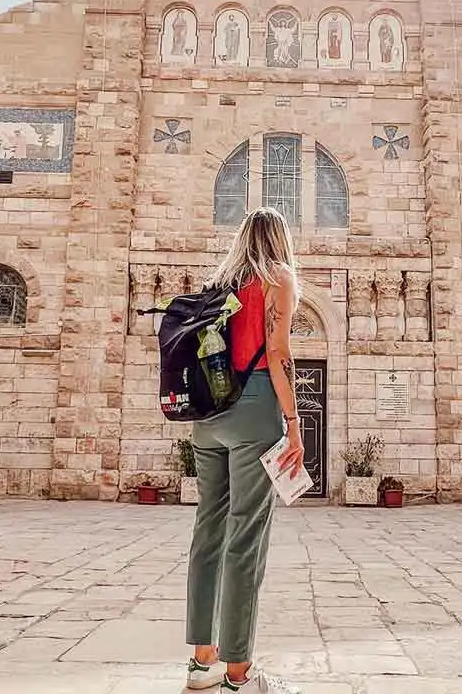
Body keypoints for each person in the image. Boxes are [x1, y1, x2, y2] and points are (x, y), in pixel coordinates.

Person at [184, 207, 306, 693]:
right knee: (246, 540)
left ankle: (202, 662)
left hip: (207, 418)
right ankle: (240, 671)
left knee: (208, 531)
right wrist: (294, 424)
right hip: (254, 409)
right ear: (280, 238)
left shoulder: (220, 283)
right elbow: (278, 352)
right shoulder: (279, 278)